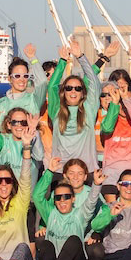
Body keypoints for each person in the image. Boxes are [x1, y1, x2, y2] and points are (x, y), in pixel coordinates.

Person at [32, 158, 104, 260]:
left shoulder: (80, 215)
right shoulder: (51, 213)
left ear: (73, 198)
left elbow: (91, 203)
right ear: (54, 200)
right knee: (46, 243)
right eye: (58, 197)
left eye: (67, 197)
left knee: (74, 240)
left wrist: (97, 184)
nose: (62, 200)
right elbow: (37, 196)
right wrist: (49, 172)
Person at [48, 41, 103, 171]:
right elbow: (52, 86)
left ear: (83, 92)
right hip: (60, 171)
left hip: (86, 171)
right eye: (69, 88)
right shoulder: (56, 110)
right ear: (63, 91)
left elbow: (94, 82)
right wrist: (62, 61)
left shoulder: (89, 109)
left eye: (78, 88)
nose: (73, 91)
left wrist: (81, 57)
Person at [0, 45, 45, 119]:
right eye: (17, 76)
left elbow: (42, 81)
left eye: (25, 76)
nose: (22, 79)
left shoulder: (34, 100)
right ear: (9, 79)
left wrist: (32, 58)